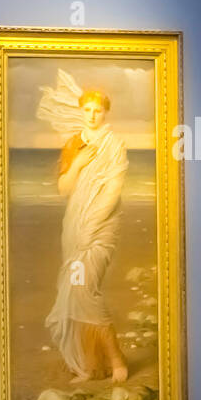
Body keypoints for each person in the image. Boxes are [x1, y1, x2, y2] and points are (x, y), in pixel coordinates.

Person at [45, 88, 129, 383]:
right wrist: (78, 163)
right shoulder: (74, 144)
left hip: (102, 226)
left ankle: (117, 360)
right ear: (81, 111)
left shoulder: (115, 145)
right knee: (76, 291)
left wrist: (91, 225)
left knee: (84, 290)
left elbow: (112, 190)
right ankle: (93, 366)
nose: (92, 116)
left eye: (98, 110)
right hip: (74, 224)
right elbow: (64, 189)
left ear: (106, 112)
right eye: (88, 110)